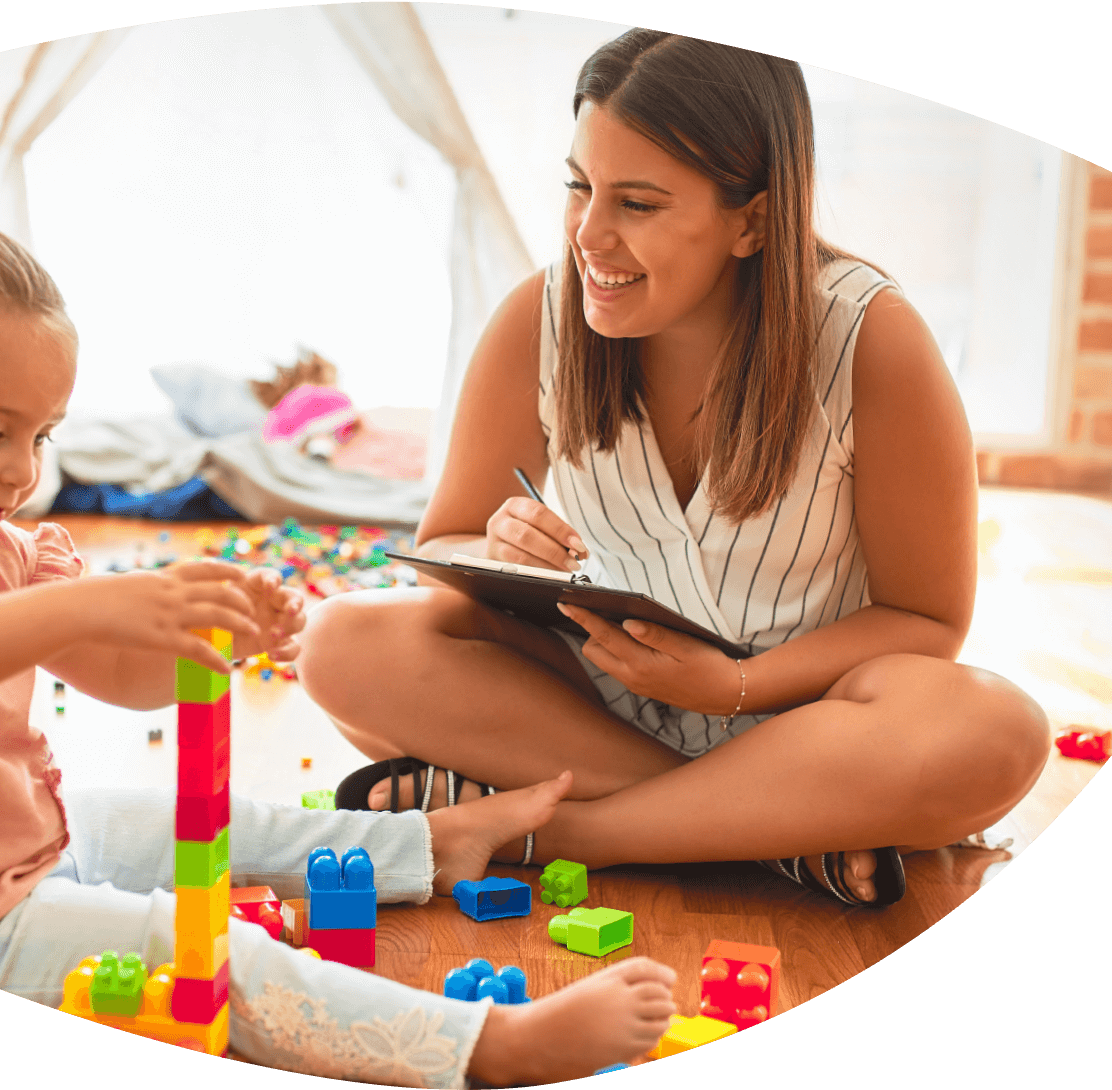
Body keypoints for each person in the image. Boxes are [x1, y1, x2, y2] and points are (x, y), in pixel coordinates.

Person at [0, 217, 679, 1087]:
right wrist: (88, 601)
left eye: (40, 435)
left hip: (2, 864)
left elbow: (127, 681)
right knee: (207, 952)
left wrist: (215, 639)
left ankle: (426, 845)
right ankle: (484, 1046)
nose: (22, 471)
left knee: (185, 823)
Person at [297, 32, 1052, 908]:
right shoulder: (538, 317)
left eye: (638, 203)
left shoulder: (873, 341)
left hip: (817, 727)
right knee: (341, 643)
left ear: (753, 220)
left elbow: (925, 620)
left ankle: (557, 832)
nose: (589, 234)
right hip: (592, 708)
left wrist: (737, 687)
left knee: (997, 731)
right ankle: (777, 837)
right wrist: (496, 547)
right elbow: (446, 551)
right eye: (579, 187)